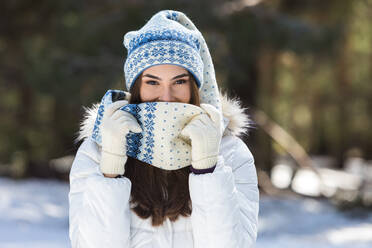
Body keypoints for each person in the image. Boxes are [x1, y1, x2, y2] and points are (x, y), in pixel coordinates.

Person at [69, 9, 259, 248]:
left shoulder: (230, 153)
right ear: (137, 86)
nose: (166, 97)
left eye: (179, 81)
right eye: (152, 82)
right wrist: (111, 168)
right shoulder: (96, 151)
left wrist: (207, 168)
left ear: (194, 88)